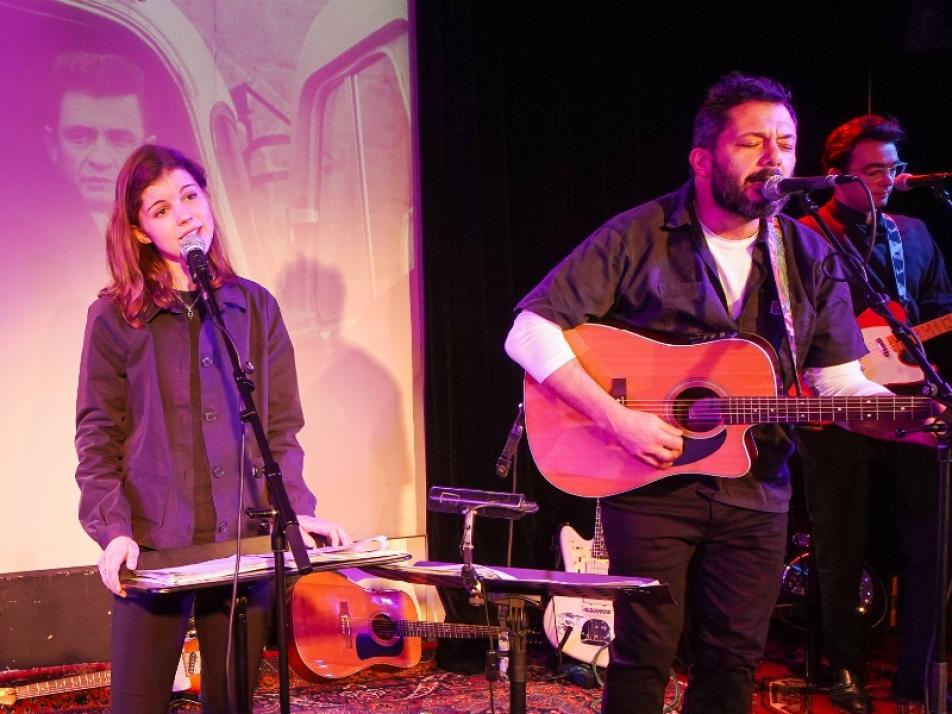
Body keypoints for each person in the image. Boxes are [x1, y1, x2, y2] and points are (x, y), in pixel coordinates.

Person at [504, 73, 938, 714]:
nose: (775, 159)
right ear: (704, 158)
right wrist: (620, 419)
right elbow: (529, 328)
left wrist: (905, 419)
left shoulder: (808, 254)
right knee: (644, 655)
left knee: (734, 660)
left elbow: (836, 383)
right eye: (754, 142)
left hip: (757, 486)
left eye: (787, 144)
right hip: (647, 483)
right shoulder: (640, 235)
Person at [74, 144, 351, 714]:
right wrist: (114, 530)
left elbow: (280, 428)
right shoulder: (113, 317)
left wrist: (295, 508)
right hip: (153, 544)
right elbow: (97, 436)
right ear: (142, 231)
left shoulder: (255, 308)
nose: (183, 214)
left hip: (243, 542)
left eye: (190, 196)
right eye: (160, 209)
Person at [796, 115, 952, 712]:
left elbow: (934, 312)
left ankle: (917, 676)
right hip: (832, 412)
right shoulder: (802, 233)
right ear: (837, 175)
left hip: (907, 404)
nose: (888, 179)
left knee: (930, 541)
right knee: (841, 545)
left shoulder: (910, 232)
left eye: (893, 167)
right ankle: (845, 672)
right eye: (873, 170)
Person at [44, 51, 154, 235]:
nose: (100, 159)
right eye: (80, 137)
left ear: (146, 154)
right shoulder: (20, 234)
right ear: (53, 145)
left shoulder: (168, 230)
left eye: (119, 139)